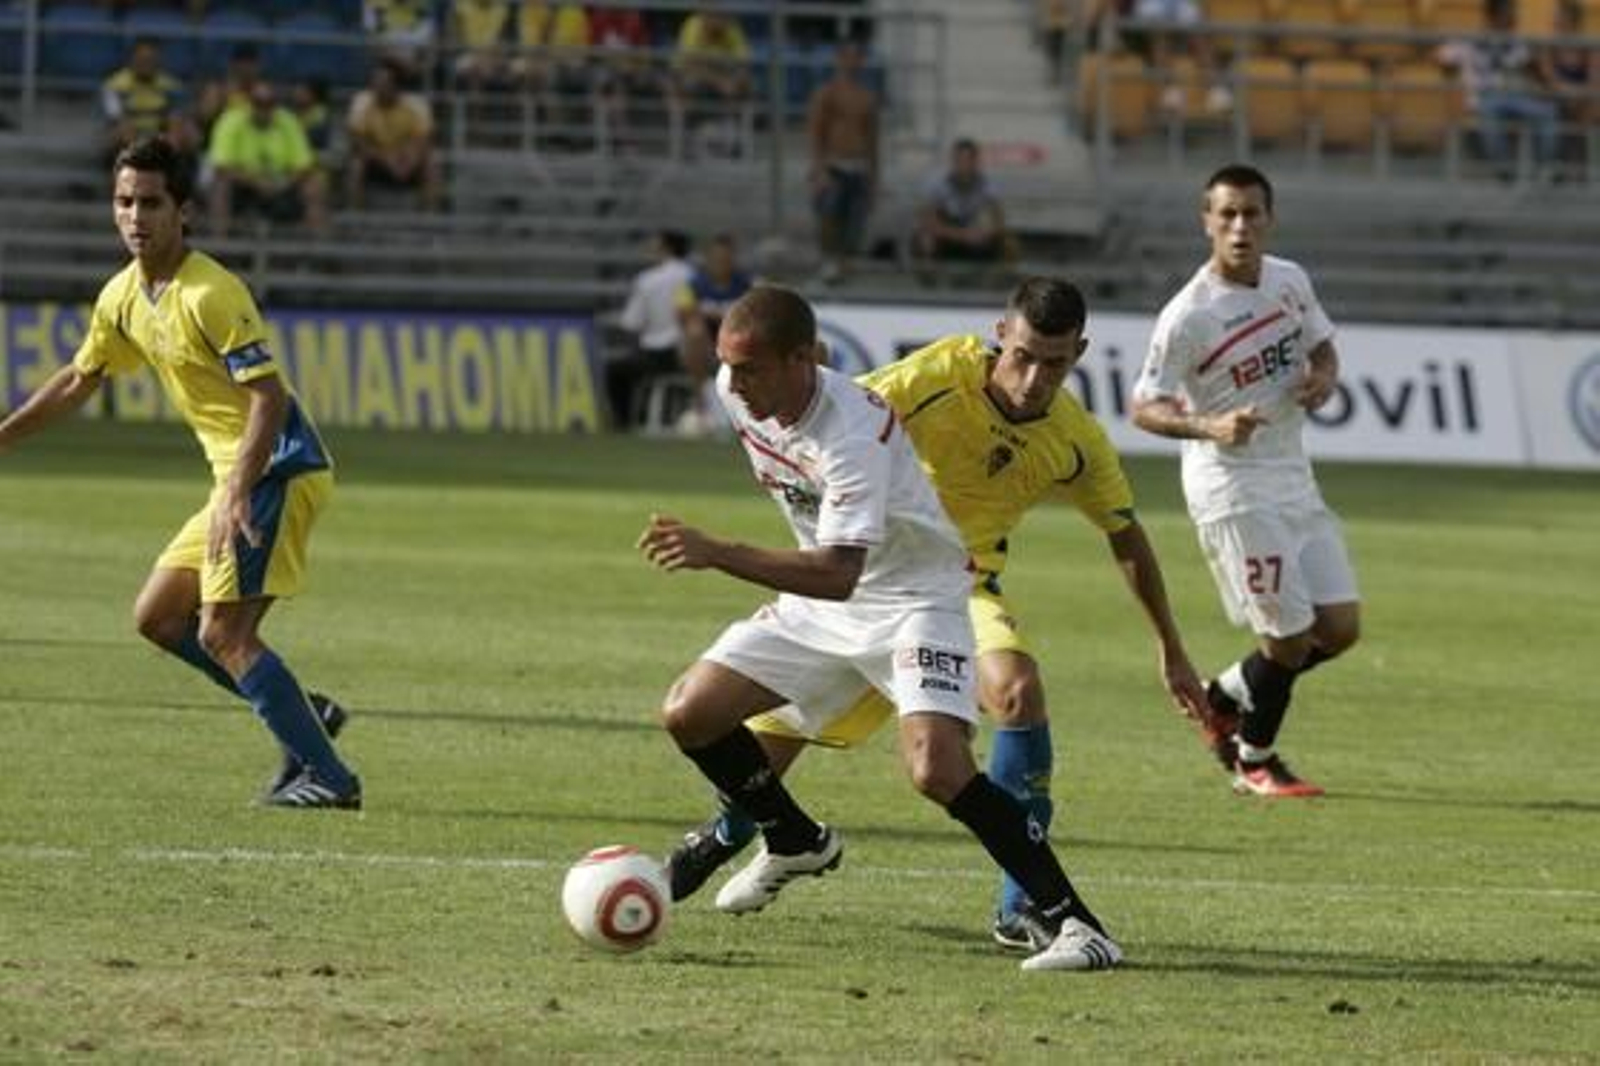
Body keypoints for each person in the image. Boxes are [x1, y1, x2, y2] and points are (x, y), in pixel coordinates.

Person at [665, 278, 1209, 953]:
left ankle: (1049, 915)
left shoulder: (1067, 441)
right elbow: (845, 426)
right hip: (835, 583)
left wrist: (1171, 648)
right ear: (999, 335)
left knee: (964, 740)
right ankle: (777, 837)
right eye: (1023, 356)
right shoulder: (920, 378)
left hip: (930, 589)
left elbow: (1125, 534)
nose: (1035, 378)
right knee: (714, 724)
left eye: (1056, 363)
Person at [0, 137, 360, 810]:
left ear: (184, 211)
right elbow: (82, 377)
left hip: (277, 469)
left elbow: (268, 396)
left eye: (151, 203)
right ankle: (302, 713)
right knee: (159, 616)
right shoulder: (122, 297)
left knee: (223, 634)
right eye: (124, 202)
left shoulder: (211, 293)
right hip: (237, 477)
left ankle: (331, 779)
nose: (136, 216)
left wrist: (236, 490)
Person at [1131, 163, 1361, 798]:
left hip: (1293, 474)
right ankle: (1253, 760)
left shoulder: (1290, 280)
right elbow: (1143, 406)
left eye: (1250, 213)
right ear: (1206, 221)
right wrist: (1210, 426)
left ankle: (1223, 694)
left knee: (1338, 629)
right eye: (1225, 214)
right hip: (1231, 487)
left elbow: (1323, 348)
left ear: (1269, 219)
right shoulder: (1188, 314)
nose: (1239, 226)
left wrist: (1323, 377)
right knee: (1286, 639)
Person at [1437, 0, 1559, 178]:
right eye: (1508, 16)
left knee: (1548, 111)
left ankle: (1547, 167)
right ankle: (1504, 168)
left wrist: (1542, 81)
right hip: (1483, 98)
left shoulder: (1516, 42)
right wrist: (1455, 83)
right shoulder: (1468, 40)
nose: (1513, 20)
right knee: (1489, 108)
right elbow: (1441, 58)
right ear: (1492, 17)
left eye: (1513, 16)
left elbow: (1534, 70)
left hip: (1515, 97)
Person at [207, 81, 329, 238]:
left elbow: (304, 165)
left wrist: (282, 183)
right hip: (244, 187)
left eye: (269, 103)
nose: (264, 109)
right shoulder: (230, 120)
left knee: (314, 184)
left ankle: (317, 250)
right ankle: (220, 244)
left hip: (282, 184)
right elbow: (221, 167)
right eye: (258, 103)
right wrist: (256, 182)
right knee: (220, 185)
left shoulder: (288, 121)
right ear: (249, 104)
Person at [806, 41, 880, 285]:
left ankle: (845, 265)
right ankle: (828, 261)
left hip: (858, 165)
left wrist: (873, 177)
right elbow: (817, 134)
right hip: (833, 165)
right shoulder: (826, 93)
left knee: (855, 221)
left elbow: (871, 140)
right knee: (830, 213)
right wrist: (819, 170)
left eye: (856, 57)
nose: (852, 62)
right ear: (838, 59)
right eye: (847, 56)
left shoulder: (867, 97)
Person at [607, 229, 695, 431]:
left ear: (666, 248)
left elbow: (631, 322)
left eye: (655, 245)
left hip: (658, 353)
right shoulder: (693, 275)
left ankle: (623, 423)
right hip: (687, 352)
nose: (650, 249)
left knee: (615, 371)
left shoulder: (647, 279)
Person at [675, 233, 754, 436]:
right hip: (703, 347)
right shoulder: (693, 285)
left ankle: (747, 412)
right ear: (709, 259)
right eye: (717, 258)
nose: (722, 263)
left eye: (726, 258)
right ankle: (700, 404)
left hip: (737, 346)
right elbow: (684, 315)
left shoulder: (746, 285)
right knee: (695, 331)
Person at [344, 58, 443, 212]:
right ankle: (356, 216)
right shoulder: (362, 101)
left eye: (382, 82)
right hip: (376, 159)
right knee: (356, 164)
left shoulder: (416, 104)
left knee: (432, 164)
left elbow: (423, 141)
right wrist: (385, 158)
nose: (376, 86)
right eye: (374, 80)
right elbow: (358, 141)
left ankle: (430, 218)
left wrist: (409, 162)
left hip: (406, 160)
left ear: (396, 86)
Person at [913, 138, 1016, 273]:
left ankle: (993, 280)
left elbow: (999, 221)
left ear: (975, 161)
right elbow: (927, 221)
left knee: (1009, 243)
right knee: (925, 239)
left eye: (968, 160)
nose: (963, 165)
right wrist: (961, 235)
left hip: (975, 229)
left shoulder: (988, 184)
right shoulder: (937, 183)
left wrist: (984, 233)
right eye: (959, 160)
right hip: (948, 230)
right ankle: (931, 279)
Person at [101, 36, 200, 172]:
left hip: (159, 135)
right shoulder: (114, 86)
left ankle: (174, 184)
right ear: (132, 59)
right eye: (142, 59)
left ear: (158, 60)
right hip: (129, 136)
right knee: (124, 131)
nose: (146, 63)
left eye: (151, 59)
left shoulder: (171, 86)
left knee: (185, 133)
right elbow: (118, 119)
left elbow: (175, 119)